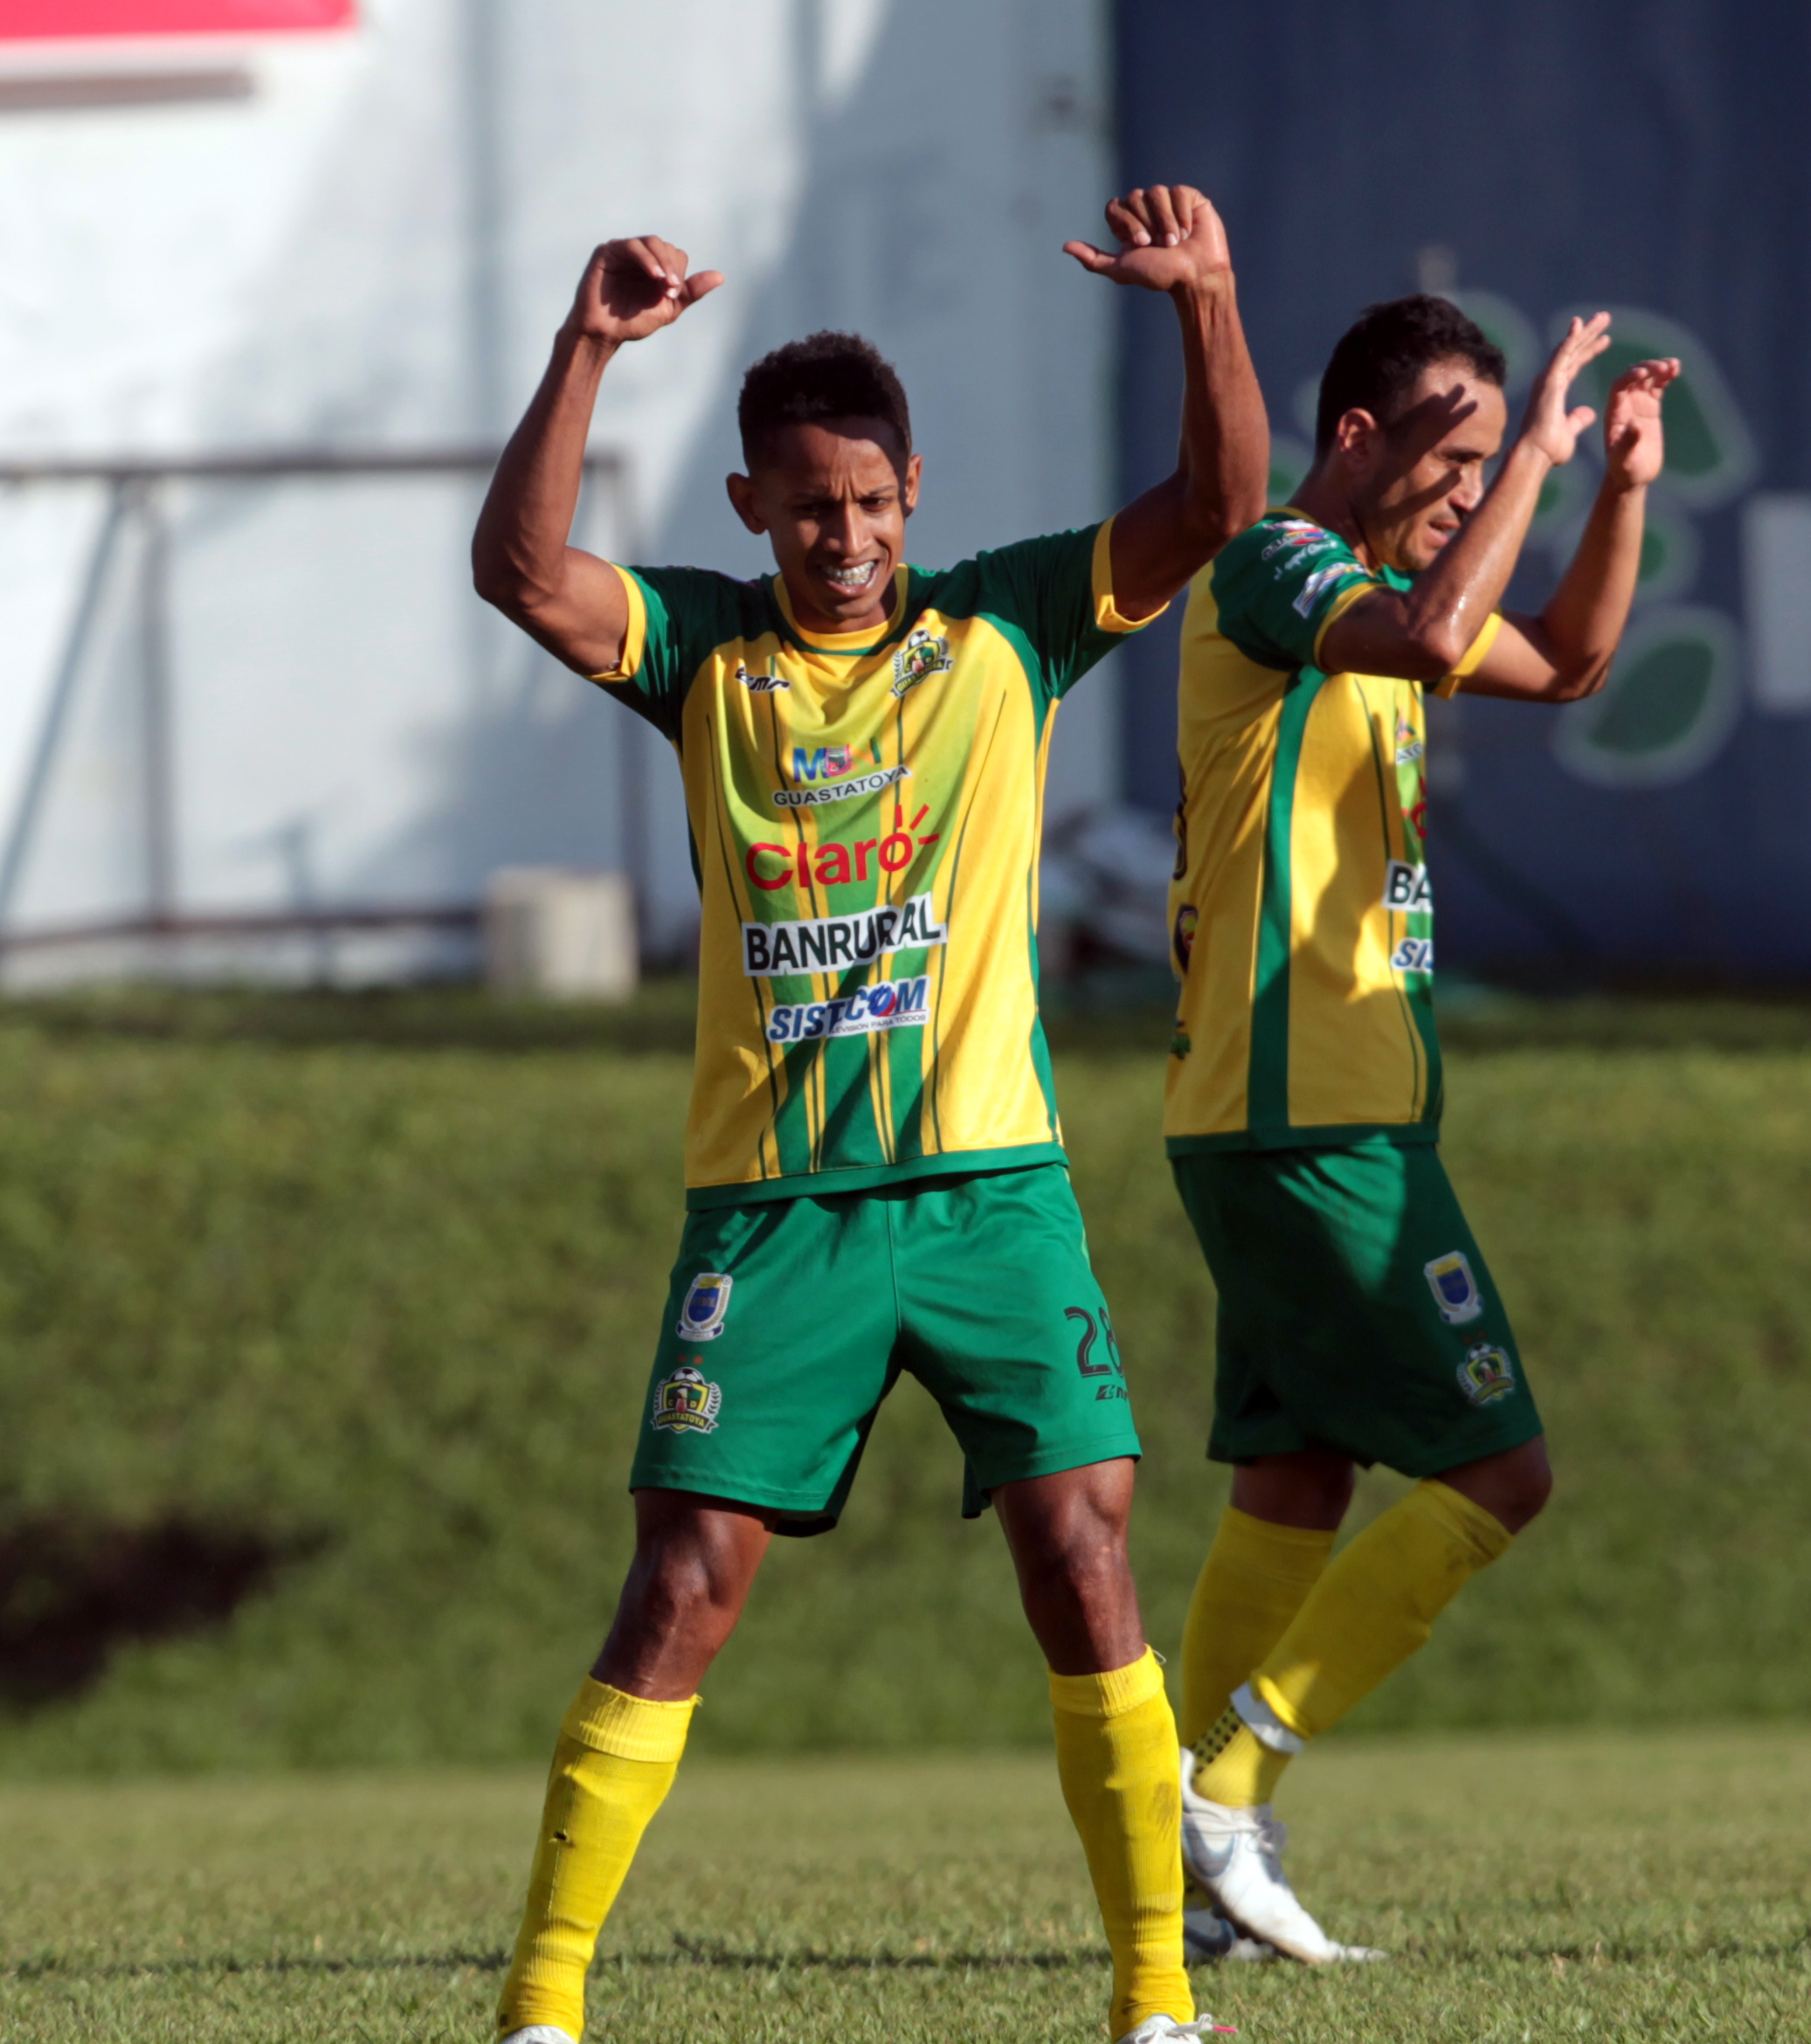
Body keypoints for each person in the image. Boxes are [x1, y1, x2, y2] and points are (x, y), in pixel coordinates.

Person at [466, 186, 1267, 2044]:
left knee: (1086, 1548)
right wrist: (587, 348)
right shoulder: (706, 659)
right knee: (682, 1583)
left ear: (918, 496)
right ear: (753, 506)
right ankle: (541, 2007)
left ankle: (1159, 2000)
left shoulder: (1007, 633)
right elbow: (521, 573)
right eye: (813, 507)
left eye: (877, 505)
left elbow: (1217, 512)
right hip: (777, 1215)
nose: (848, 539)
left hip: (992, 1194)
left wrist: (1205, 303)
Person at [1155, 294, 1678, 1964]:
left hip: (1306, 1114)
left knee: (1298, 1476)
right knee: (1501, 1471)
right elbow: (1449, 635)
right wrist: (1532, 445)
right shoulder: (1278, 568)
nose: (1469, 493)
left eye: (1486, 463)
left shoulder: (1376, 603)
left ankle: (1182, 1854)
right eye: (1448, 460)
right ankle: (1226, 1792)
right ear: (1358, 440)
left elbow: (1575, 662)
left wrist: (1620, 489)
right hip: (1309, 1123)